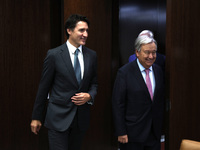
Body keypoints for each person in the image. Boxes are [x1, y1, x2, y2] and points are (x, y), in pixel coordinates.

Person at [30, 14, 98, 150]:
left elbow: (94, 83)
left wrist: (90, 96)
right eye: (81, 30)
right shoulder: (54, 55)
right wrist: (36, 117)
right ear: (69, 30)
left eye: (87, 31)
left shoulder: (91, 55)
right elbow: (43, 88)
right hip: (58, 119)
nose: (85, 34)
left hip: (80, 120)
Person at [112, 35, 165, 150]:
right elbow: (118, 104)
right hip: (132, 135)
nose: (151, 56)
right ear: (137, 52)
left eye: (154, 52)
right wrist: (121, 131)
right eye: (147, 52)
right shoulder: (124, 73)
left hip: (154, 133)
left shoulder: (158, 71)